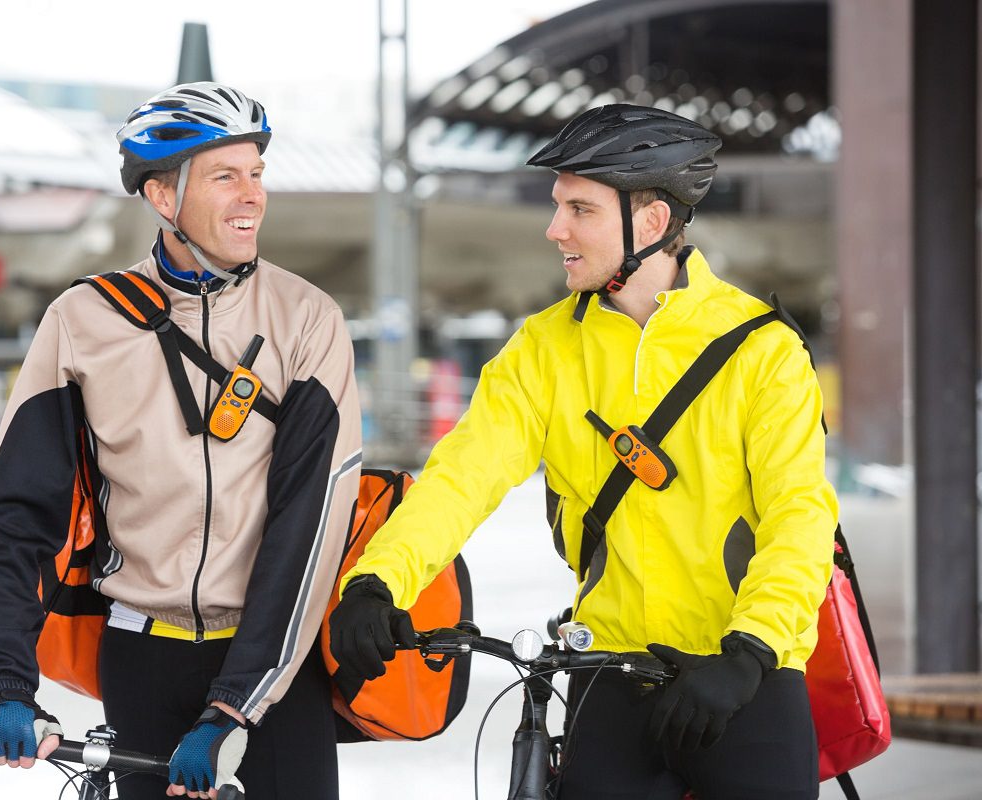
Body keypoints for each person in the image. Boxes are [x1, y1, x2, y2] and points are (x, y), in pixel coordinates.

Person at [329, 104, 836, 799]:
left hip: (742, 681)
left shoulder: (762, 351)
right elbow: (461, 477)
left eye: (580, 209)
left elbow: (799, 519)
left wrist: (749, 653)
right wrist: (377, 581)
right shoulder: (543, 349)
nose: (554, 229)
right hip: (610, 674)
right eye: (558, 206)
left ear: (651, 224)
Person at [0, 82, 362, 800]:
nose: (252, 196)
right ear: (161, 196)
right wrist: (7, 682)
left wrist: (236, 704)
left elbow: (309, 524)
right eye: (225, 176)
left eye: (257, 174)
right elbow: (15, 513)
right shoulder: (82, 321)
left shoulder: (307, 319)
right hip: (139, 661)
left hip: (272, 665)